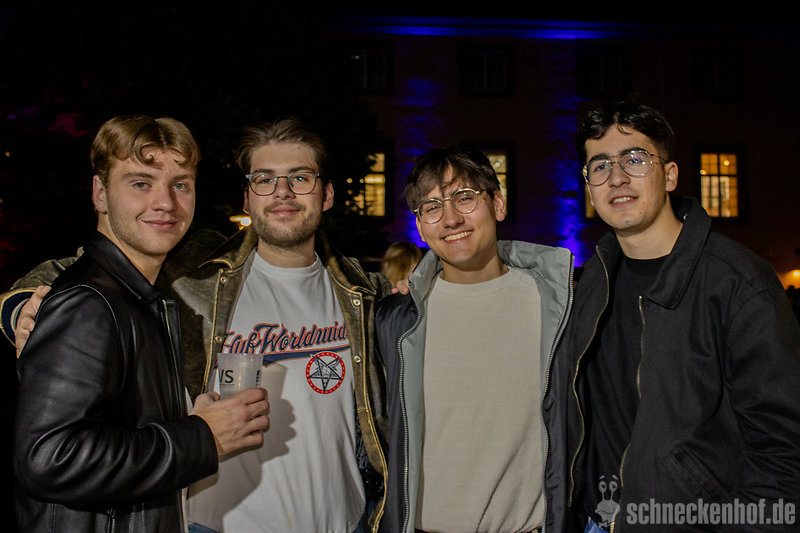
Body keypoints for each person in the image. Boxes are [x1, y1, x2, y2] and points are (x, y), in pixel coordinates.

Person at [3, 117, 394, 533]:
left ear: (327, 194)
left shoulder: (363, 291)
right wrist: (22, 306)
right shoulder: (200, 270)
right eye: (264, 179)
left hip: (343, 520)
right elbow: (89, 266)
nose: (282, 191)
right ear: (247, 198)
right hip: (218, 524)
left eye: (300, 178)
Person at [543, 101, 800, 532]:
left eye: (635, 159)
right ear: (588, 188)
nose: (617, 177)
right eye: (600, 166)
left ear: (671, 175)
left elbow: (784, 455)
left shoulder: (737, 284)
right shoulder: (590, 283)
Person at [12, 115, 270, 532]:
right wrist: (202, 437)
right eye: (140, 184)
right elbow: (50, 458)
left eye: (180, 185)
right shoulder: (89, 302)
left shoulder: (139, 298)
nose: (165, 202)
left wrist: (191, 423)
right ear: (100, 194)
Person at [375, 145, 574, 533]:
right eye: (432, 206)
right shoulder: (397, 320)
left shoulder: (558, 307)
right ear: (420, 226)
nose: (451, 218)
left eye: (464, 197)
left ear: (497, 204)